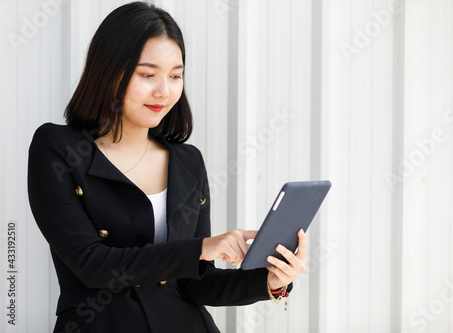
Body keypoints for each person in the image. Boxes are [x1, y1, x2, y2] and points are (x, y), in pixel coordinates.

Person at [27, 2, 306, 332]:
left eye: (176, 76)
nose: (164, 91)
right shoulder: (57, 148)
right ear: (108, 71)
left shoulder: (188, 161)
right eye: (147, 74)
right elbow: (92, 265)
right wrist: (201, 248)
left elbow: (195, 284)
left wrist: (270, 281)